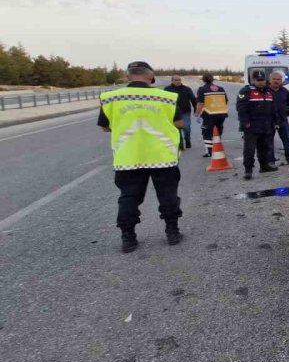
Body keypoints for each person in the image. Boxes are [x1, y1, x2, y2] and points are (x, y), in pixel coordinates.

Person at [98, 61, 185, 253]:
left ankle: (128, 238)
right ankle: (172, 231)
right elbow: (179, 123)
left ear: (128, 76)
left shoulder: (111, 98)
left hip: (128, 158)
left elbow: (105, 127)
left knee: (128, 197)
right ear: (151, 76)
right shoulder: (166, 97)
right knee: (167, 195)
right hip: (162, 156)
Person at [237, 71, 280, 180]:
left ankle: (264, 166)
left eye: (262, 80)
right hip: (251, 126)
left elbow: (273, 108)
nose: (260, 83)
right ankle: (248, 170)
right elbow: (241, 109)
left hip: (266, 125)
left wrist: (276, 121)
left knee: (264, 148)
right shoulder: (246, 91)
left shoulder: (268, 92)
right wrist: (245, 123)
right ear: (253, 81)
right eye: (258, 80)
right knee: (249, 150)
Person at [268, 71, 289, 165]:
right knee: (269, 141)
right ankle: (270, 161)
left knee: (287, 140)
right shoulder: (265, 91)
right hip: (269, 121)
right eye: (274, 79)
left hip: (282, 120)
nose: (276, 81)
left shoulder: (284, 91)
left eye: (278, 79)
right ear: (270, 80)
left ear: (281, 80)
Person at [195, 74, 229, 158]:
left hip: (209, 114)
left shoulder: (202, 89)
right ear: (213, 79)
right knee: (218, 131)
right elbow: (226, 101)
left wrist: (197, 113)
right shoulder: (221, 88)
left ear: (203, 80)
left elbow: (200, 103)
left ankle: (210, 151)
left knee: (207, 133)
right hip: (221, 114)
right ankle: (217, 148)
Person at [164, 75, 197, 150]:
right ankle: (180, 145)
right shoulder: (167, 89)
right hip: (173, 112)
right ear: (172, 81)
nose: (178, 81)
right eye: (176, 80)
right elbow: (164, 101)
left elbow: (193, 99)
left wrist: (196, 110)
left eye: (179, 80)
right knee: (177, 129)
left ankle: (187, 140)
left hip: (185, 111)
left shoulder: (187, 89)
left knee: (186, 127)